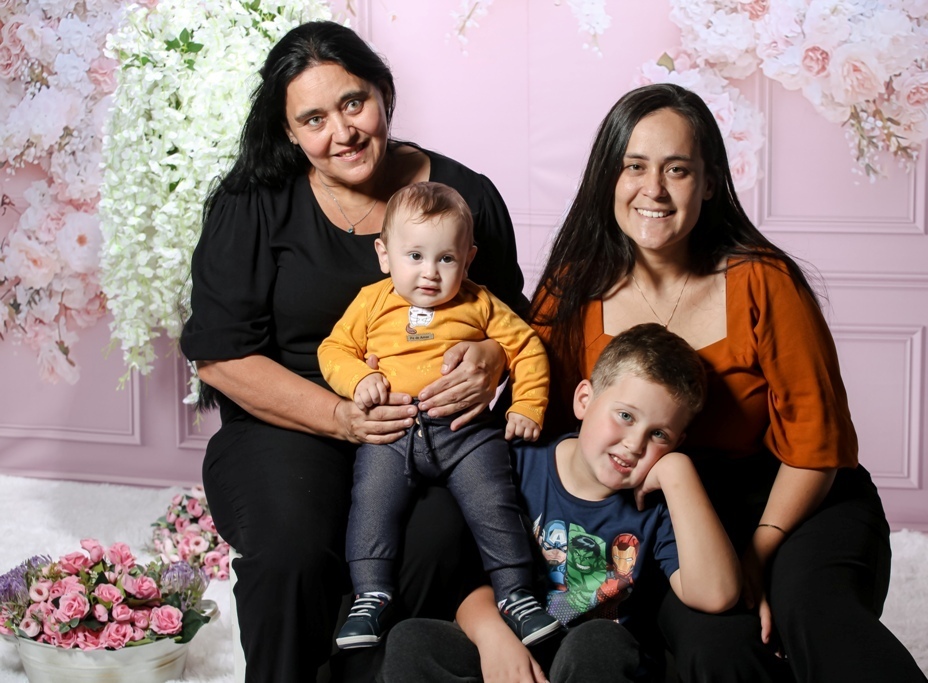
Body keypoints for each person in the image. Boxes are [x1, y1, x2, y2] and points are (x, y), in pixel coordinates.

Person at [528, 83, 928, 683]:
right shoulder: (572, 288)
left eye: (677, 170)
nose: (653, 189)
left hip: (795, 497)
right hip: (670, 517)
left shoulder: (764, 280)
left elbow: (817, 446)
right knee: (716, 644)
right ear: (608, 177)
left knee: (811, 614)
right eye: (634, 166)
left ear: (710, 182)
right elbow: (536, 408)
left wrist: (758, 554)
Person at [179, 21, 529, 683]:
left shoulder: (464, 196)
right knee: (291, 548)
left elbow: (513, 322)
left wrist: (491, 357)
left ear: (382, 94)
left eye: (352, 103)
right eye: (313, 119)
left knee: (436, 544)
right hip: (288, 422)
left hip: (430, 426)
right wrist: (341, 418)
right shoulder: (251, 203)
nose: (342, 131)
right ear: (288, 132)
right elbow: (221, 356)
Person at [379, 323, 742, 683]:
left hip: (594, 664)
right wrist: (493, 637)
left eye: (659, 434)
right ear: (584, 400)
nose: (635, 444)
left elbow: (716, 595)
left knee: (598, 639)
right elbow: (466, 579)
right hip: (506, 654)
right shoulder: (511, 464)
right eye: (626, 416)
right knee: (411, 641)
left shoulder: (658, 506)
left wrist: (679, 473)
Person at [317, 181, 559, 649]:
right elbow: (334, 349)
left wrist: (528, 404)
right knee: (371, 503)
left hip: (466, 433)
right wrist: (358, 380)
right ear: (385, 255)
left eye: (446, 259)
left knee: (494, 503)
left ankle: (517, 595)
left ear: (467, 259)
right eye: (415, 256)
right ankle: (370, 595)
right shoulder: (372, 301)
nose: (430, 273)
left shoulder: (479, 302)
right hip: (393, 431)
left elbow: (527, 346)